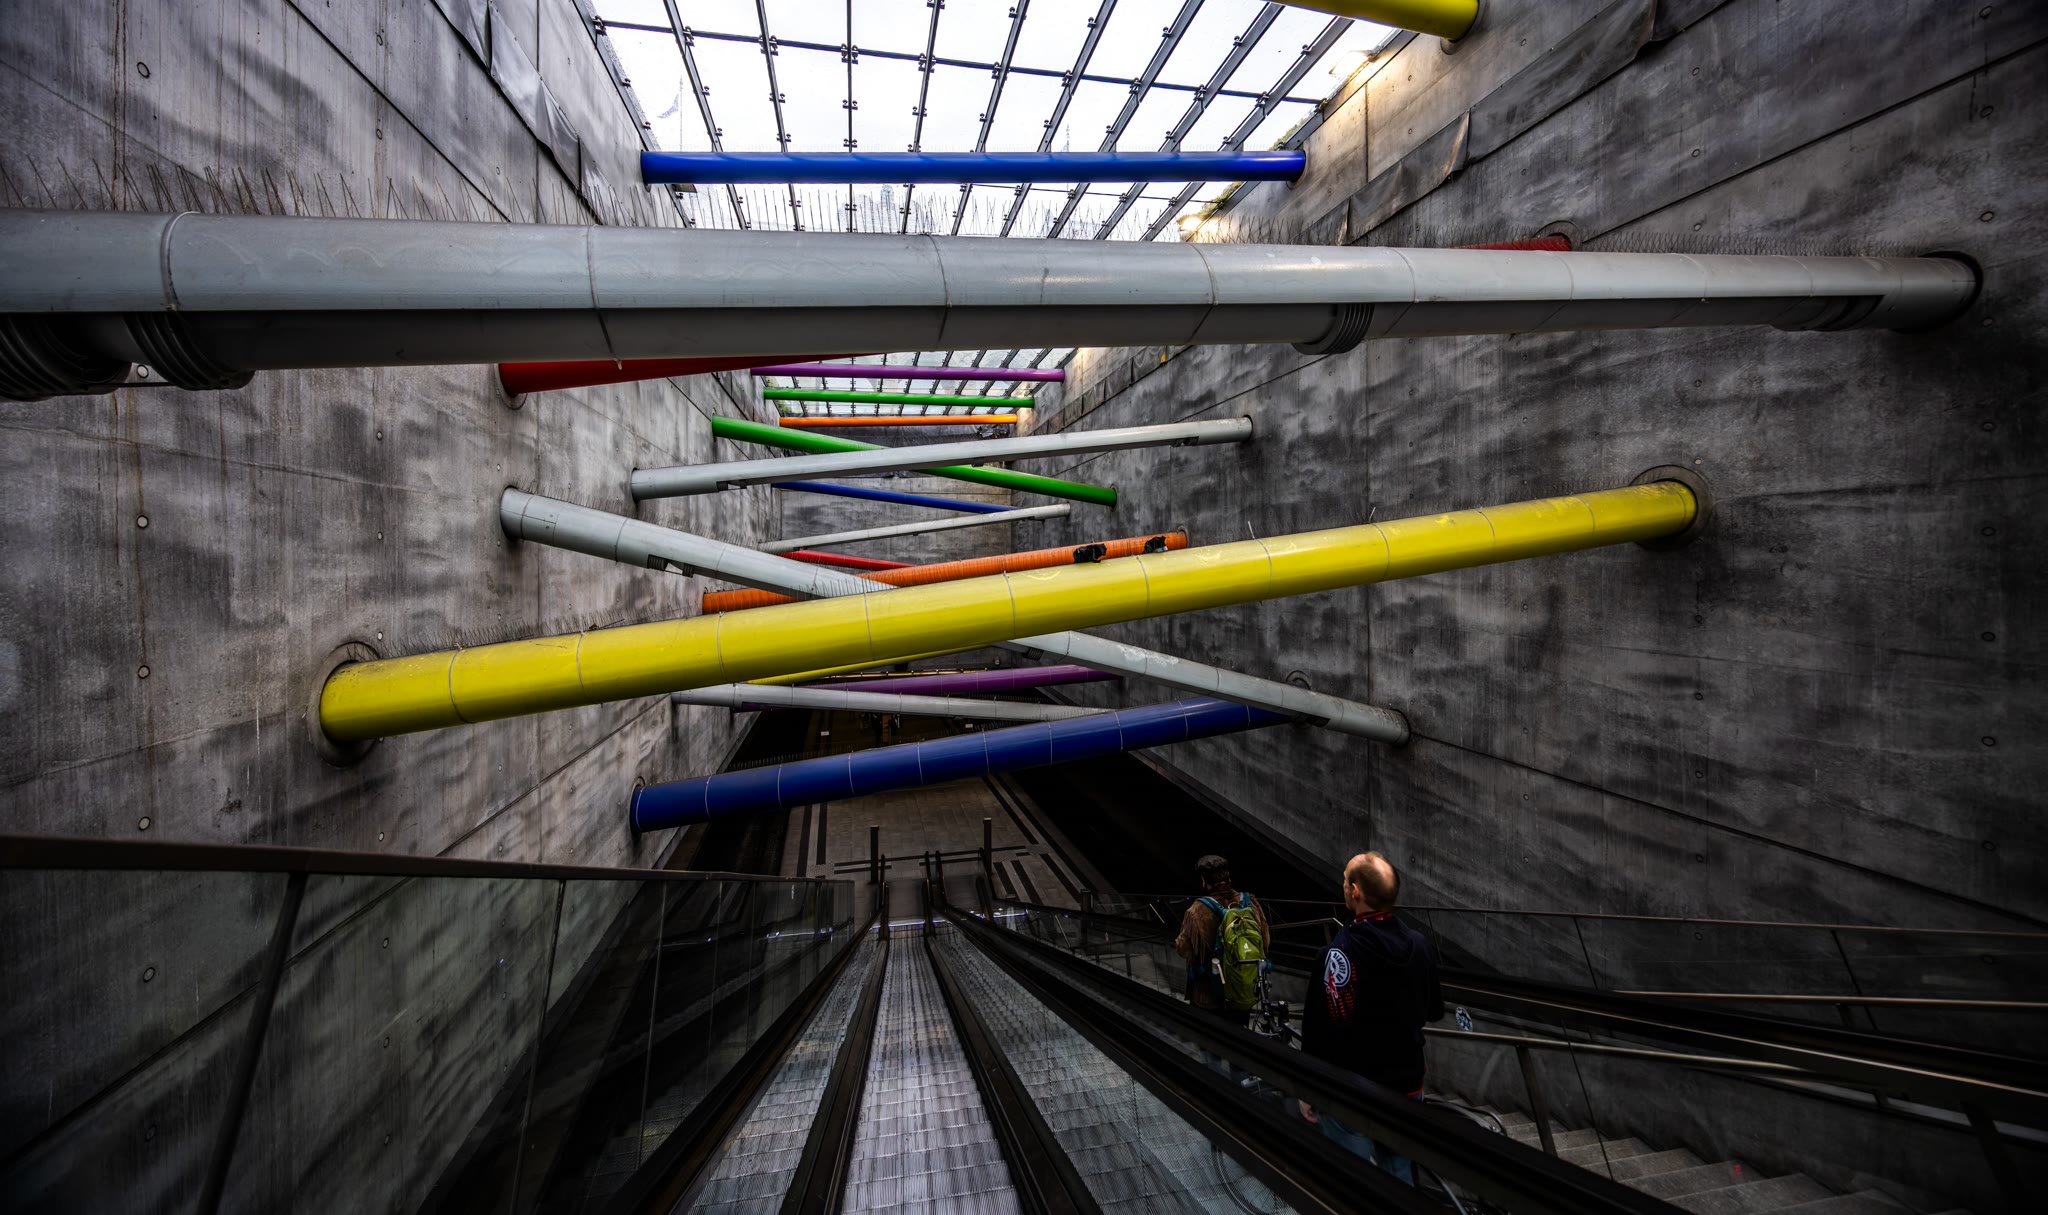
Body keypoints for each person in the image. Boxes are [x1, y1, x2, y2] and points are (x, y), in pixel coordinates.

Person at [1300, 851, 1443, 1186]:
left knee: (1353, 1180)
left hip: (1353, 1090)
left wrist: (1308, 1089)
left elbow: (1319, 1032)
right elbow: (1434, 1011)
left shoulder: (1337, 955)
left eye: (1345, 880)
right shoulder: (1420, 945)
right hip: (1407, 1083)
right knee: (1399, 1174)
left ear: (1355, 892)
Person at [1173, 854, 1271, 1026]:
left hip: (1209, 995)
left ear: (1203, 880)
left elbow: (1183, 949)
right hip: (1242, 989)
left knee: (1209, 1036)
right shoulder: (1250, 903)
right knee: (1239, 1033)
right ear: (1228, 877)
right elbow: (1265, 942)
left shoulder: (1196, 910)